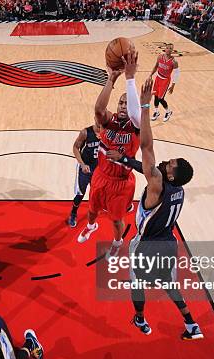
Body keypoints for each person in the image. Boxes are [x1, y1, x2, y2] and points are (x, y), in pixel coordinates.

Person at [128, 74, 202, 340]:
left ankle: (139, 318)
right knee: (170, 285)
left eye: (168, 165)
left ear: (169, 175)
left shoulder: (157, 185)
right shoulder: (178, 189)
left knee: (136, 283)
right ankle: (191, 324)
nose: (165, 163)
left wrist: (146, 107)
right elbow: (149, 170)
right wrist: (128, 162)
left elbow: (147, 147)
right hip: (168, 243)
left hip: (146, 243)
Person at [76, 52, 141, 259]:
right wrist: (111, 78)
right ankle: (91, 226)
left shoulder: (137, 127)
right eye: (120, 103)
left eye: (126, 103)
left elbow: (135, 112)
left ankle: (117, 241)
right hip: (101, 175)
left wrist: (131, 80)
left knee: (115, 220)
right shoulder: (108, 120)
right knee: (92, 211)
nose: (123, 106)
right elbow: (98, 108)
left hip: (121, 183)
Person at [67, 123, 100, 228]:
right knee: (80, 194)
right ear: (95, 118)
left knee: (96, 194)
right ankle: (73, 213)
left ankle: (94, 213)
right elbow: (76, 147)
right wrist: (82, 164)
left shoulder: (107, 133)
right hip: (85, 168)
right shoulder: (85, 132)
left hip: (98, 169)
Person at [149, 43, 180, 122]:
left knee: (160, 98)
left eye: (170, 48)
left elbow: (176, 74)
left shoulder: (174, 62)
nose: (168, 49)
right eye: (167, 48)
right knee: (155, 96)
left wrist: (173, 86)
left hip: (165, 80)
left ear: (172, 50)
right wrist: (150, 75)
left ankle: (168, 111)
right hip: (158, 78)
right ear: (165, 49)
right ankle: (156, 112)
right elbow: (156, 66)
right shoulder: (160, 57)